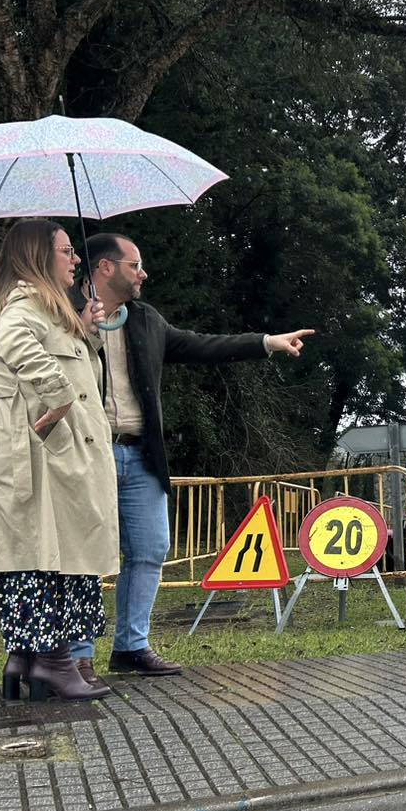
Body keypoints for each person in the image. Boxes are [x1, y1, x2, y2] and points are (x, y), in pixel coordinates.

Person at [69, 232, 314, 682]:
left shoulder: (146, 319)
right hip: (87, 453)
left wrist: (266, 342)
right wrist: (82, 328)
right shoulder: (62, 311)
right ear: (104, 267)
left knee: (151, 548)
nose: (144, 274)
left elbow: (204, 345)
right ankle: (78, 655)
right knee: (87, 554)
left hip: (141, 454)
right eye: (134, 265)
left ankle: (131, 646)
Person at [0, 219, 115, 702]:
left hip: (45, 457)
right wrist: (57, 398)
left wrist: (89, 333)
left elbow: (69, 363)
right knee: (55, 557)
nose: (74, 259)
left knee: (38, 555)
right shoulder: (24, 306)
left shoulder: (49, 310)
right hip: (45, 459)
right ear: (38, 256)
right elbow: (19, 347)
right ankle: (53, 662)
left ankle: (25, 657)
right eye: (65, 250)